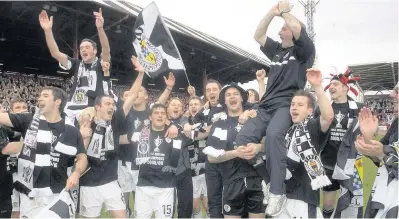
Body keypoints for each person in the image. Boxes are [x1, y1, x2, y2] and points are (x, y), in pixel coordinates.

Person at [238, 0, 315, 215]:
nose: (280, 29)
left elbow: (298, 28)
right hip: (265, 106)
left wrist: (285, 13)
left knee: (273, 134)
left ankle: (277, 191)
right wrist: (272, 13)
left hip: (285, 104)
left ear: (293, 31)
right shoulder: (277, 50)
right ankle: (268, 180)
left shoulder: (304, 51)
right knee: (242, 140)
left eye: (284, 26)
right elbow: (258, 35)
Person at [0, 86, 88, 218]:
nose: (40, 98)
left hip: (57, 193)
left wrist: (76, 173)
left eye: (45, 95)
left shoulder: (71, 130)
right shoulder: (29, 120)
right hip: (30, 194)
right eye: (40, 95)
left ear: (57, 101)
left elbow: (82, 157)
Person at [273, 69, 333, 218]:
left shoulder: (311, 128)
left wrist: (318, 87)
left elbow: (328, 117)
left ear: (310, 111)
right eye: (292, 104)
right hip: (283, 198)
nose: (294, 107)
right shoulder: (286, 130)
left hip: (304, 200)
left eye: (300, 105)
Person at [39, 9, 113, 124]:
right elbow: (55, 53)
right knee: (50, 121)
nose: (83, 49)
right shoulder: (76, 64)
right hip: (72, 106)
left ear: (94, 51)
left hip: (92, 107)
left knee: (84, 121)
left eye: (87, 47)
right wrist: (48, 31)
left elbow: (106, 50)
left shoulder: (101, 65)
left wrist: (100, 28)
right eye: (81, 48)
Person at [204, 83, 265, 218]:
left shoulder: (254, 119)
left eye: (235, 94)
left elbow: (268, 143)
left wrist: (259, 147)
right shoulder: (220, 124)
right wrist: (236, 153)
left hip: (256, 181)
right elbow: (211, 157)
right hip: (231, 183)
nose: (232, 97)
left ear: (242, 98)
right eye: (228, 95)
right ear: (224, 101)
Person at [121, 104, 191, 218]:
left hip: (166, 188)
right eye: (156, 113)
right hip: (144, 186)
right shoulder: (141, 133)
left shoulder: (174, 133)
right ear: (150, 117)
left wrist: (174, 126)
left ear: (166, 118)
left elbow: (191, 133)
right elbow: (125, 138)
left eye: (163, 113)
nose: (160, 116)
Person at [319, 68, 363, 218]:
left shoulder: (358, 108)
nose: (331, 87)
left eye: (336, 84)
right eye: (330, 85)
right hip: (328, 163)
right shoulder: (323, 108)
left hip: (349, 165)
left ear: (345, 88)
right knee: (328, 204)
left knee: (349, 204)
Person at [355, 84, 398, 218]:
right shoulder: (397, 123)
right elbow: (381, 156)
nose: (392, 94)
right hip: (386, 194)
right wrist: (368, 139)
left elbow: (384, 154)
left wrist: (382, 153)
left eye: (397, 91)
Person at [2, 98, 29, 218]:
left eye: (24, 108)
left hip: (26, 176)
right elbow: (6, 148)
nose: (21, 111)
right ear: (11, 112)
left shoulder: (30, 128)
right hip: (8, 177)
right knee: (13, 209)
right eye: (17, 108)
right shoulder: (5, 129)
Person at [185, 96, 209, 218]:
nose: (193, 106)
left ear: (201, 107)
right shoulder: (185, 123)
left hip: (207, 168)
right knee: (194, 205)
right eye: (191, 104)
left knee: (207, 204)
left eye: (196, 104)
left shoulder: (207, 121)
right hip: (192, 168)